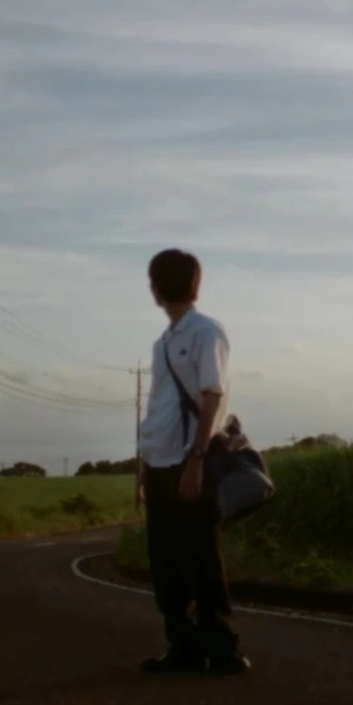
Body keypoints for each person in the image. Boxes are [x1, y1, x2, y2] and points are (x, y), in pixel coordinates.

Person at [137, 247, 249, 675]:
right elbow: (158, 409)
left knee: (201, 555)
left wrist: (197, 459)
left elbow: (212, 396)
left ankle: (221, 649)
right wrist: (146, 465)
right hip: (160, 462)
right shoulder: (163, 343)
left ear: (158, 287)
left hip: (190, 460)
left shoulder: (206, 331)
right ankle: (182, 648)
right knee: (165, 561)